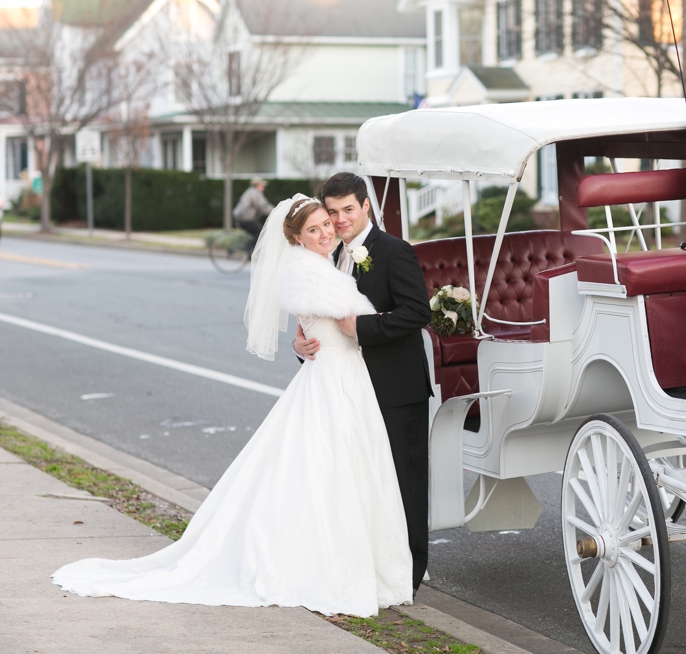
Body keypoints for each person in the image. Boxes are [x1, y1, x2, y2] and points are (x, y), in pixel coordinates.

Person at [52, 195, 414, 617]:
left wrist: (304, 337)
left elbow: (320, 324)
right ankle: (323, 565)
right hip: (334, 380)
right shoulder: (308, 272)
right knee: (328, 470)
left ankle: (360, 563)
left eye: (326, 225)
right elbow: (351, 317)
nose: (326, 232)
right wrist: (330, 330)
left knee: (344, 469)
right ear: (296, 237)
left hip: (344, 377)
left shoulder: (321, 265)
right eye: (314, 229)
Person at [293, 172, 432, 594]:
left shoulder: (394, 251)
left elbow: (417, 312)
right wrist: (302, 344)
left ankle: (409, 575)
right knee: (363, 483)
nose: (338, 221)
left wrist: (366, 327)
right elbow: (316, 319)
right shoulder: (326, 255)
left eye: (347, 210)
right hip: (347, 391)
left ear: (366, 206)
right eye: (331, 213)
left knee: (404, 482)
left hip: (395, 388)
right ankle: (372, 568)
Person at [234, 177, 274, 251]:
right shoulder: (254, 193)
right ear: (258, 185)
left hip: (243, 218)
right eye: (262, 185)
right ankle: (247, 246)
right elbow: (263, 205)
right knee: (261, 233)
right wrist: (275, 211)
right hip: (246, 219)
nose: (263, 187)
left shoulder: (251, 191)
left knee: (258, 232)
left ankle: (250, 250)